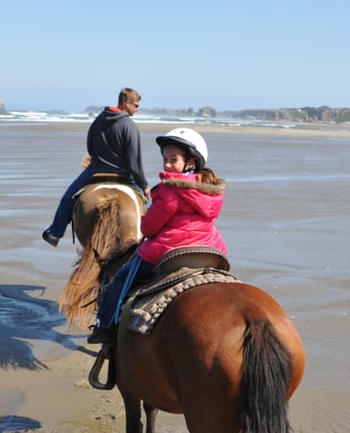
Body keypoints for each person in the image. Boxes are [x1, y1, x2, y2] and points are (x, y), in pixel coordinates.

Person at [87, 127, 226, 344]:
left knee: (122, 276)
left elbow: (149, 228)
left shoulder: (170, 190)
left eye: (173, 159)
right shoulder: (209, 188)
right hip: (209, 248)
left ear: (190, 162)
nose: (168, 164)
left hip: (170, 250)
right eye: (165, 159)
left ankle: (104, 325)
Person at [42, 88, 150, 247]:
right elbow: (134, 163)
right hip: (124, 173)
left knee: (68, 198)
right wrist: (145, 186)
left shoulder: (98, 120)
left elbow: (90, 147)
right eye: (136, 105)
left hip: (96, 171)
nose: (137, 109)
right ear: (127, 104)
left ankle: (55, 233)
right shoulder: (129, 125)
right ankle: (151, 238)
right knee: (148, 205)